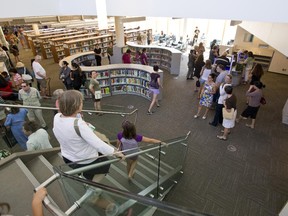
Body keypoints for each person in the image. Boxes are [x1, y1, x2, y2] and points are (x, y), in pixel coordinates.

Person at [53, 90, 124, 182]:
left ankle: (86, 177)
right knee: (105, 164)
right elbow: (98, 144)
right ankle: (92, 187)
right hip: (84, 160)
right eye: (81, 102)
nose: (82, 103)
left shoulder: (57, 116)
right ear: (76, 105)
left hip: (67, 157)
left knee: (94, 164)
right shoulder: (79, 125)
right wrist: (116, 153)